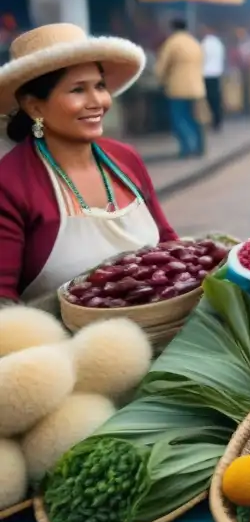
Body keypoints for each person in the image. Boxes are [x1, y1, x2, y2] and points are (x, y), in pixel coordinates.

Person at [0, 23, 178, 313]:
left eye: (100, 86)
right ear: (35, 107)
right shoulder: (11, 183)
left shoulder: (125, 158)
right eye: (77, 90)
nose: (97, 102)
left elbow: (168, 243)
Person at [155, 18, 205, 158]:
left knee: (179, 119)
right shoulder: (194, 42)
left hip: (178, 88)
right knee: (195, 118)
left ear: (172, 28)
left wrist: (159, 79)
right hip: (196, 87)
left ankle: (188, 148)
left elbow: (162, 66)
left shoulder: (172, 43)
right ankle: (199, 147)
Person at [200, 24, 225, 132]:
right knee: (216, 98)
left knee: (210, 99)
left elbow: (201, 58)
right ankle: (217, 120)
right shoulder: (219, 43)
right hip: (217, 73)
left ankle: (214, 121)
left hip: (207, 74)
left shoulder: (205, 44)